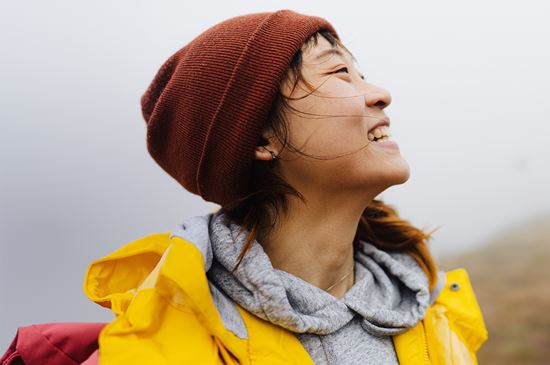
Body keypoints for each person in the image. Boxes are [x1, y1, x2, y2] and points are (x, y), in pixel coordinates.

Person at [1, 9, 488, 365]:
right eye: (339, 71)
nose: (380, 92)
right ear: (259, 137)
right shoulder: (160, 350)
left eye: (360, 71)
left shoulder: (435, 313)